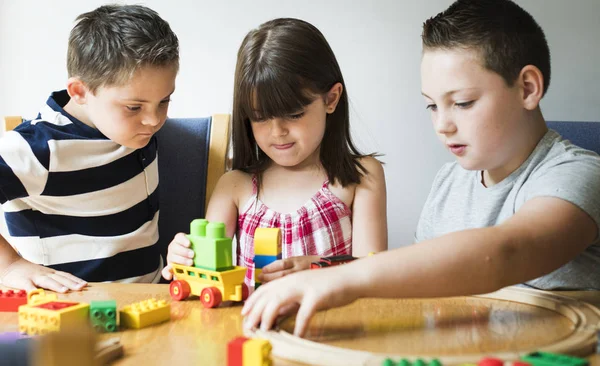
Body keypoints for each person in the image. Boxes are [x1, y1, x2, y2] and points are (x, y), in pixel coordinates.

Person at [241, 0, 600, 337]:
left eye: (462, 102)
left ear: (527, 88)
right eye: (432, 106)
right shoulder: (449, 183)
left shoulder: (579, 174)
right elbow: (420, 283)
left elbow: (507, 252)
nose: (442, 125)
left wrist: (345, 280)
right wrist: (326, 269)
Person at [162, 18, 387, 286]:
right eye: (260, 117)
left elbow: (374, 274)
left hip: (334, 323)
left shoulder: (360, 176)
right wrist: (183, 257)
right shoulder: (235, 187)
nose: (277, 131)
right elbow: (208, 273)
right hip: (248, 326)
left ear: (331, 99)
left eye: (293, 114)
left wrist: (319, 267)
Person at [0, 4, 179, 292]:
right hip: (72, 307)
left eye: (164, 101)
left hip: (152, 295)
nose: (154, 119)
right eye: (134, 107)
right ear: (80, 92)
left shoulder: (132, 129)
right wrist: (8, 266)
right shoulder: (39, 148)